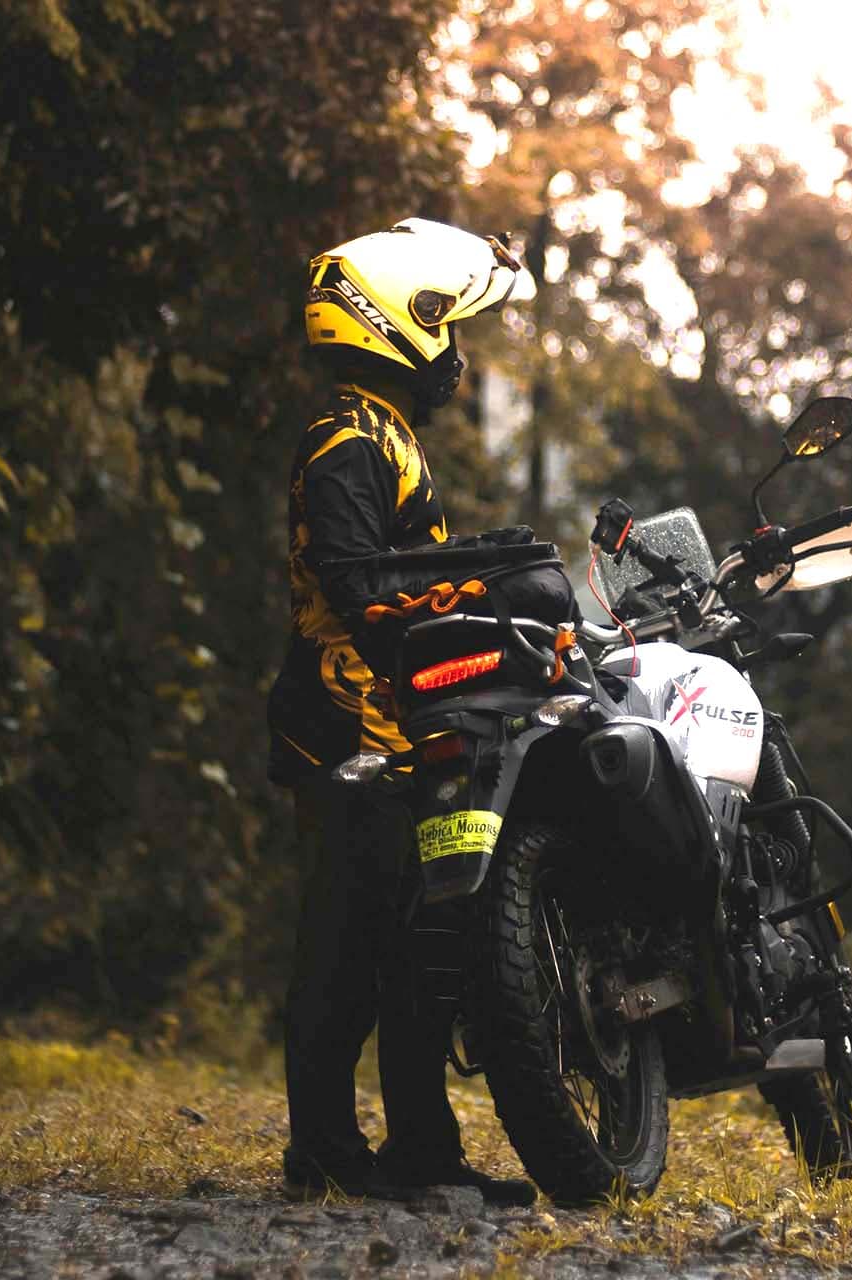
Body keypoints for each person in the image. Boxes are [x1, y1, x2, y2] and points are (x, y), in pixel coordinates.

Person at [267, 217, 537, 1204]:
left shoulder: (386, 433)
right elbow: (354, 579)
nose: (454, 348)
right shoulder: (348, 437)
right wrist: (470, 581)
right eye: (445, 323)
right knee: (347, 941)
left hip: (394, 726)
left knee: (416, 945)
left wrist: (481, 574)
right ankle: (325, 1151)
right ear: (397, 321)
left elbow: (397, 574)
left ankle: (423, 1149)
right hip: (343, 728)